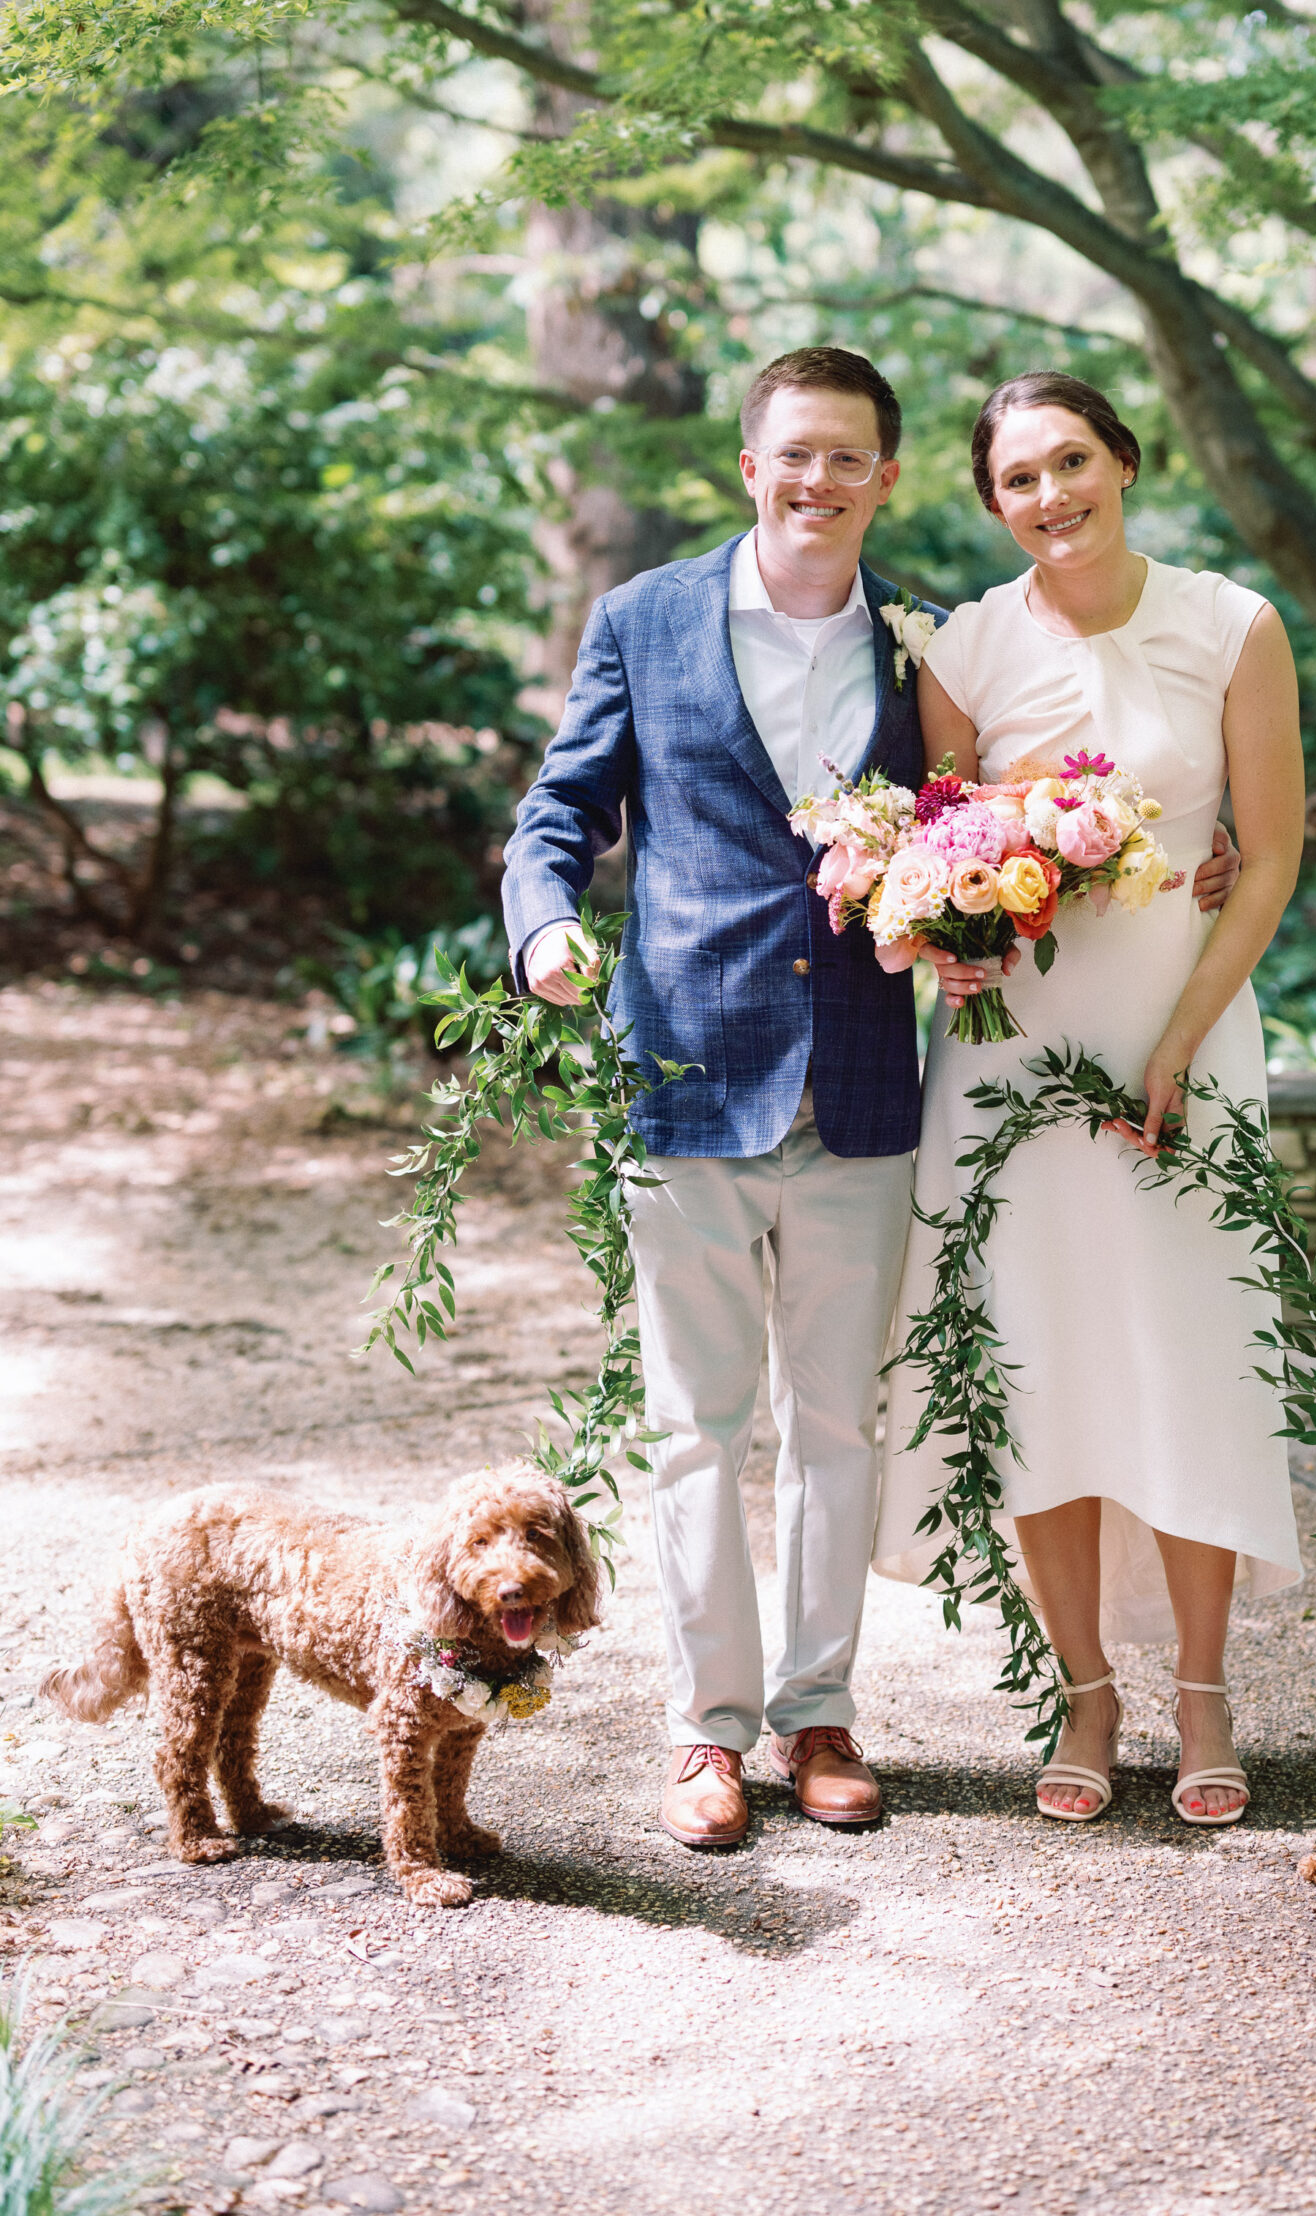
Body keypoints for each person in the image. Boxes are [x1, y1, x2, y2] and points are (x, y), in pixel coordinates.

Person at [503, 350, 1240, 1849]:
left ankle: (816, 1716)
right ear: (749, 465)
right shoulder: (643, 619)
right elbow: (560, 810)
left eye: (848, 458)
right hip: (683, 1074)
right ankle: (703, 1736)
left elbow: (1008, 805)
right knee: (695, 1428)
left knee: (837, 1421)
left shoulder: (928, 647)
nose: (818, 481)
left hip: (858, 1083)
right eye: (794, 456)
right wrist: (542, 925)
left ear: (886, 478)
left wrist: (1191, 849)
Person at [873, 371, 1306, 1827]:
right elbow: (936, 860)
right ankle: (1082, 1685)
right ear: (990, 503)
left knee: (1189, 1348)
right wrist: (944, 924)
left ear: (1123, 460)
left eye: (1072, 462)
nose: (1051, 496)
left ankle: (1201, 1689)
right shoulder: (962, 648)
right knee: (1029, 1356)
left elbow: (1277, 852)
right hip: (1010, 1053)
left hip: (1181, 1025)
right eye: (1018, 480)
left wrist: (1182, 1039)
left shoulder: (1232, 625)